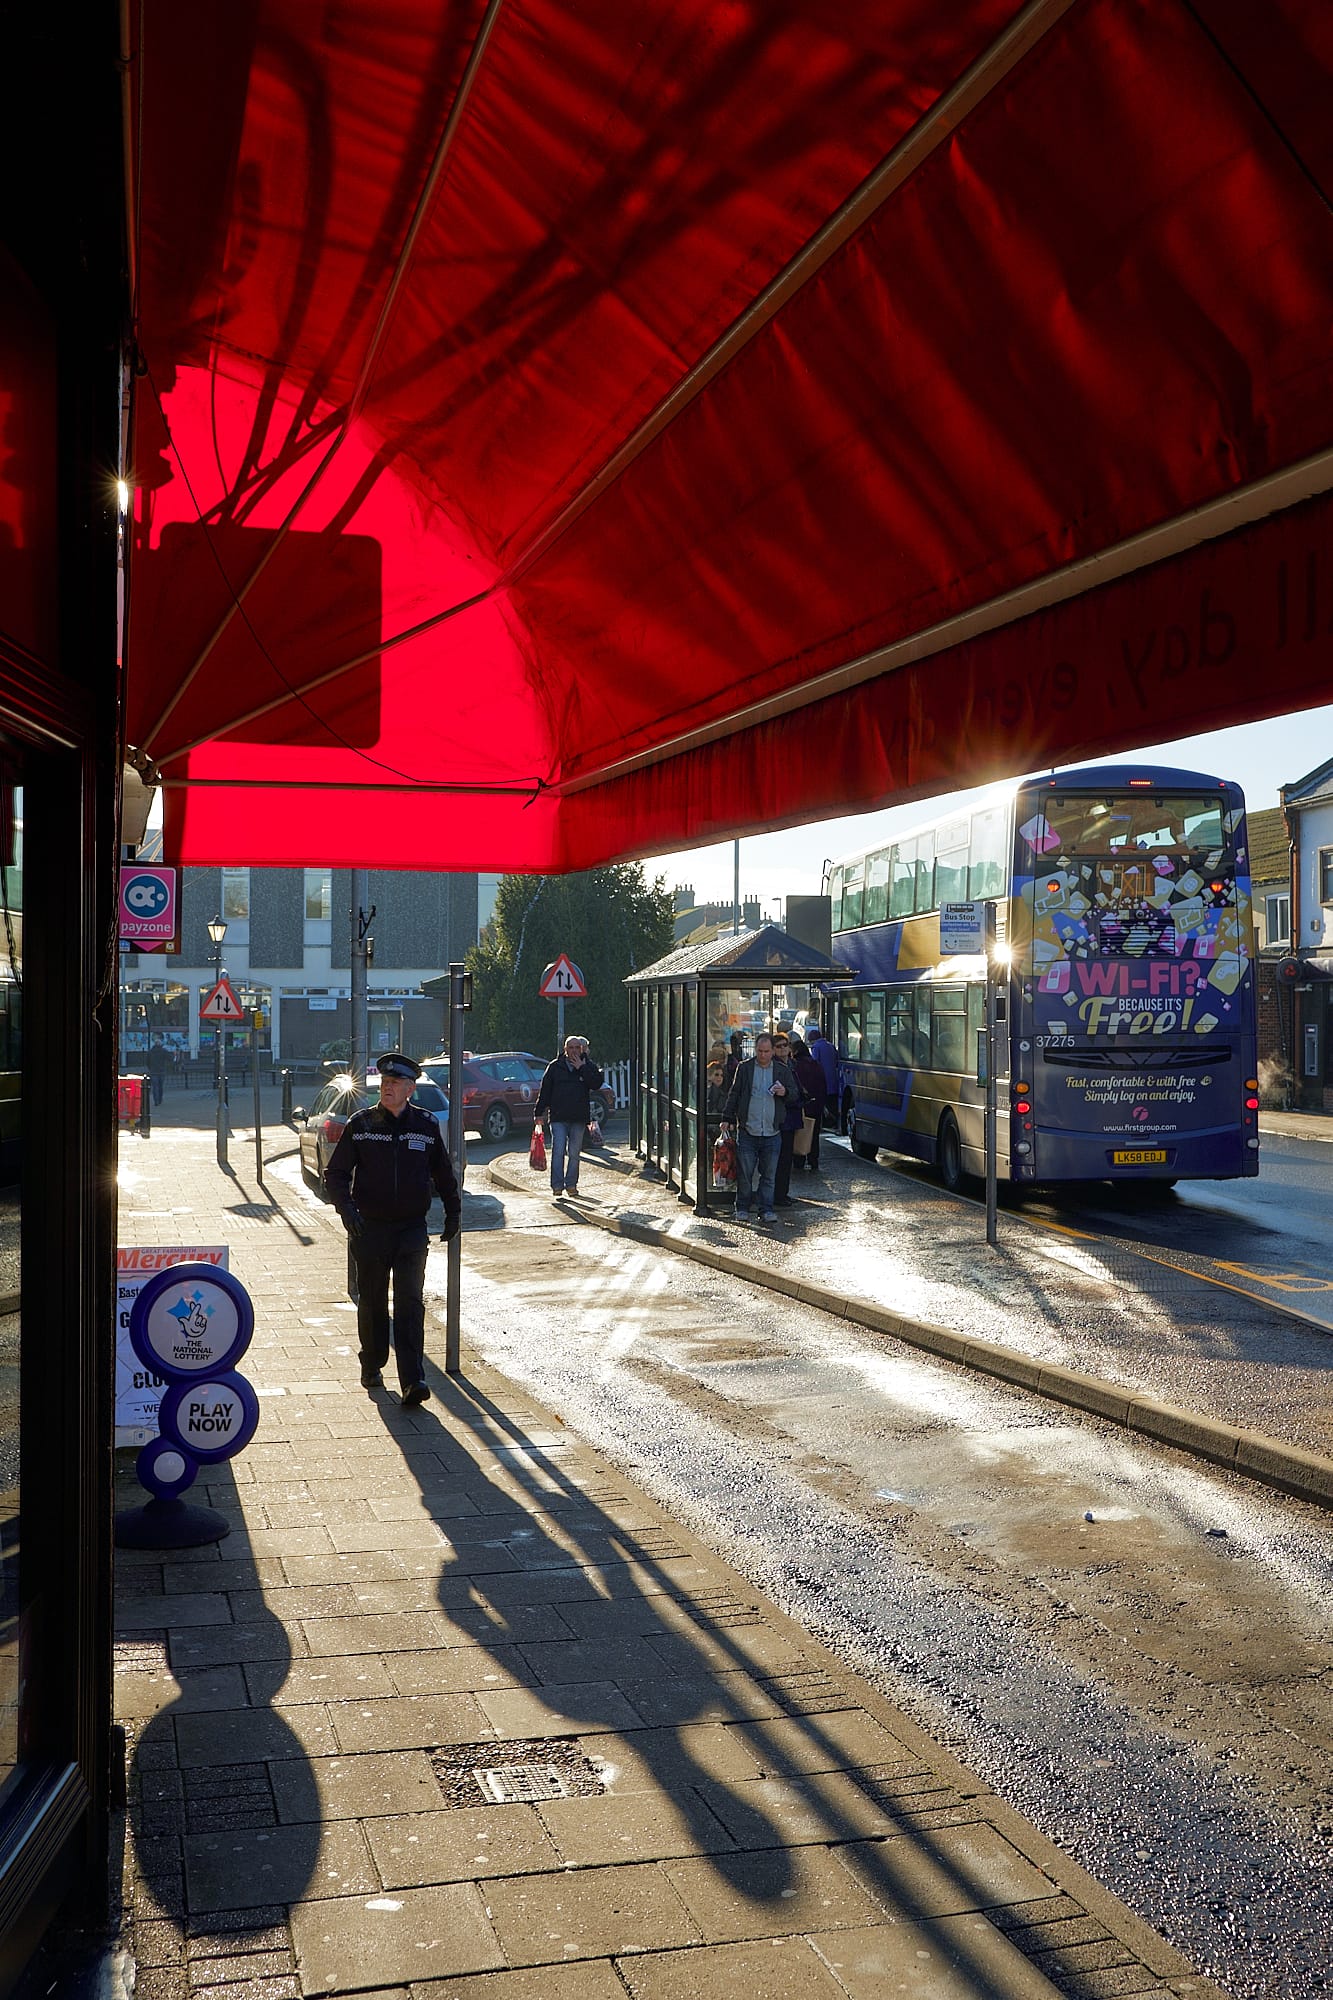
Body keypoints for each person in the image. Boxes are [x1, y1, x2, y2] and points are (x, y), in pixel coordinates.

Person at [325, 1051, 460, 1407]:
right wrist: (347, 1211)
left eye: (395, 1083)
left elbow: (443, 1174)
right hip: (369, 1229)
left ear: (409, 1089)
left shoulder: (426, 1126)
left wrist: (453, 1214)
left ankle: (413, 1379)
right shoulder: (362, 1124)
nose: (387, 1088)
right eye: (384, 1083)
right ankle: (371, 1363)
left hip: (411, 1230)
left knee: (410, 1304)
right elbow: (335, 1175)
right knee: (372, 1302)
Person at [719, 1030, 800, 1224]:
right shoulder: (745, 1069)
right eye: (759, 1051)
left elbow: (795, 1094)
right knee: (745, 1174)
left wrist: (785, 1092)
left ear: (773, 1051)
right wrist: (727, 1116)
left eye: (766, 1051)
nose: (762, 1055)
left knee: (769, 1175)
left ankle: (766, 1209)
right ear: (755, 1050)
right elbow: (735, 1093)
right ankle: (743, 1207)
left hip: (772, 1131)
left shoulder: (782, 1070)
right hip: (748, 1130)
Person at [536, 1034, 605, 1198]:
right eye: (571, 1048)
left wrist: (582, 1067)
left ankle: (571, 1185)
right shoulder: (555, 1067)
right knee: (558, 1150)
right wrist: (539, 1113)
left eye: (577, 1048)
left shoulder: (588, 1065)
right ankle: (557, 1186)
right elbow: (545, 1090)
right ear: (565, 1049)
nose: (574, 1051)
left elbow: (596, 1084)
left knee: (574, 1153)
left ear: (582, 1049)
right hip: (558, 1116)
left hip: (578, 1118)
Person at [768, 1030, 807, 1207]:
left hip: (791, 1117)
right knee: (780, 1159)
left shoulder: (791, 1064)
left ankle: (782, 1192)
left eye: (785, 1045)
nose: (783, 1049)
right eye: (779, 1046)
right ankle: (778, 1194)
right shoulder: (775, 1067)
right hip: (781, 1117)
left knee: (786, 1159)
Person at [788, 1034, 827, 1173]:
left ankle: (799, 1160)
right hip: (816, 1106)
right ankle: (813, 1160)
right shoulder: (816, 1064)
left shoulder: (795, 1066)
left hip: (801, 1107)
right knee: (814, 1134)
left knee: (799, 1133)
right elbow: (823, 1085)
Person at [807, 1020, 839, 1127]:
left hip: (823, 1080)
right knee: (832, 1103)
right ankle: (834, 1121)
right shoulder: (830, 1045)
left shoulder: (816, 1047)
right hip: (834, 1080)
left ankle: (827, 1122)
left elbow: (814, 1063)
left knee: (824, 1103)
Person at [147, 1035, 169, 1106]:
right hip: (161, 1071)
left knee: (155, 1087)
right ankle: (160, 1099)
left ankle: (156, 1101)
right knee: (160, 1086)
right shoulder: (163, 1051)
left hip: (153, 1071)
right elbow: (169, 1059)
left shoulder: (150, 1052)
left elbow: (147, 1062)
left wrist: (150, 1068)